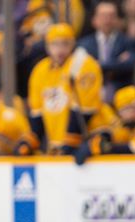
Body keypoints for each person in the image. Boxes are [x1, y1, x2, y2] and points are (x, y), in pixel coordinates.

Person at [28, 23, 103, 154]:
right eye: (55, 44)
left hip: (86, 141)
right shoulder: (40, 70)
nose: (60, 49)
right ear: (47, 46)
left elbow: (85, 109)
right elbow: (37, 112)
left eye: (65, 44)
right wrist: (30, 141)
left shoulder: (84, 64)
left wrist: (70, 140)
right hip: (56, 145)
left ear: (73, 44)